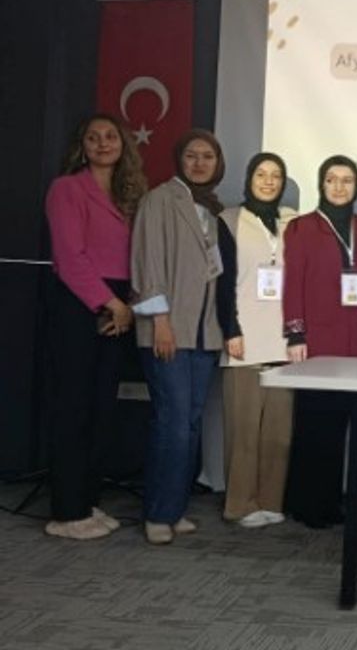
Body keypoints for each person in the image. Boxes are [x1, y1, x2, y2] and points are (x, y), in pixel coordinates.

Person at [43, 113, 146, 540]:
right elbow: (71, 258)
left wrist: (127, 304)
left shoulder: (129, 195)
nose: (103, 143)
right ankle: (67, 512)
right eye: (93, 138)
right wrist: (111, 304)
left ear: (123, 144)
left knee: (102, 407)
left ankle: (86, 501)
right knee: (75, 408)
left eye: (110, 136)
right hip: (81, 304)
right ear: (81, 147)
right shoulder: (67, 189)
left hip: (117, 305)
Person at [131, 129, 227, 545]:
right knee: (171, 423)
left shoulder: (212, 209)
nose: (200, 163)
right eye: (192, 155)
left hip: (204, 333)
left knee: (189, 423)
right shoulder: (159, 200)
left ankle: (174, 507)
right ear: (179, 159)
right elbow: (147, 262)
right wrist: (161, 320)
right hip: (169, 329)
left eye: (208, 156)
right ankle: (157, 513)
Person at [282, 155, 357, 529]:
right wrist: (295, 332)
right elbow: (293, 283)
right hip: (318, 340)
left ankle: (335, 500)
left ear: (356, 187)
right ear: (321, 184)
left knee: (345, 423)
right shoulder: (302, 227)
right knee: (315, 422)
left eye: (347, 180)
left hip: (356, 340)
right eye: (332, 179)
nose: (339, 187)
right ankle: (308, 504)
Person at [215, 152, 297, 529]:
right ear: (249, 178)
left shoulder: (292, 221)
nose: (268, 181)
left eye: (275, 175)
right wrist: (230, 329)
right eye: (261, 174)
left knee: (279, 431)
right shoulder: (229, 220)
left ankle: (270, 500)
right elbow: (222, 281)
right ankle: (239, 504)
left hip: (283, 339)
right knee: (244, 428)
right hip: (244, 338)